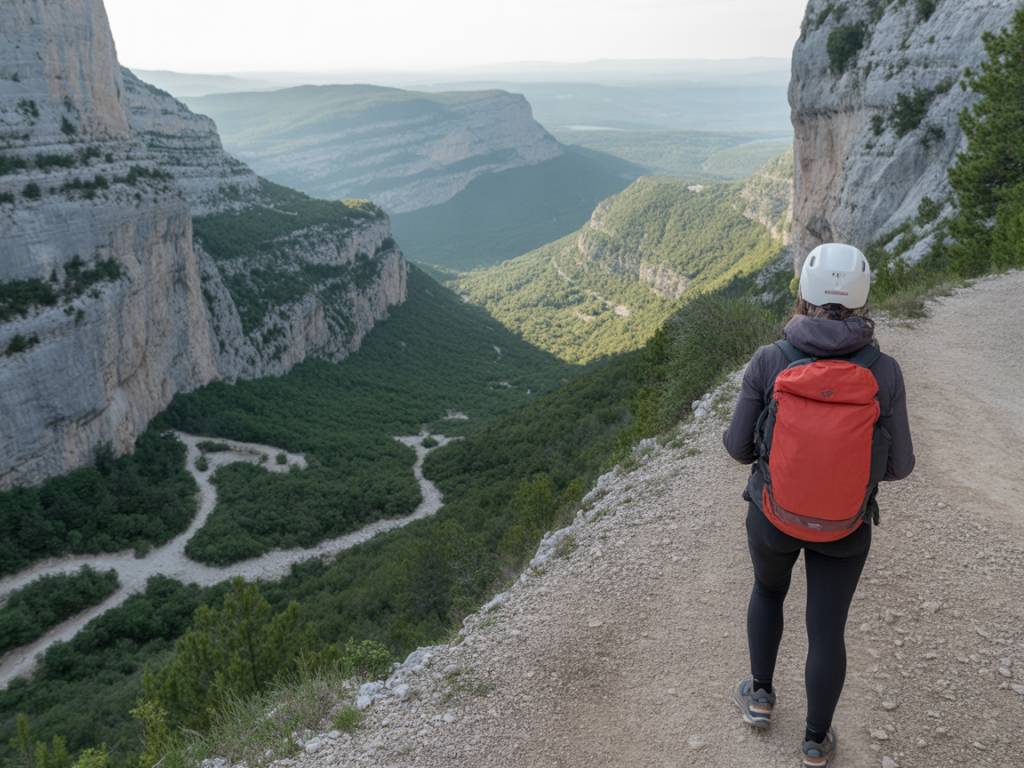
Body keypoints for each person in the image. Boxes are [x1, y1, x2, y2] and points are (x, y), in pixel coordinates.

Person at [722, 243, 915, 767]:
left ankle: (760, 697)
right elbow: (900, 467)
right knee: (826, 628)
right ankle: (814, 740)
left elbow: (738, 448)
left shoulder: (770, 359)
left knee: (768, 590)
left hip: (773, 517)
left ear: (804, 294)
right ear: (862, 298)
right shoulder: (885, 371)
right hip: (846, 528)